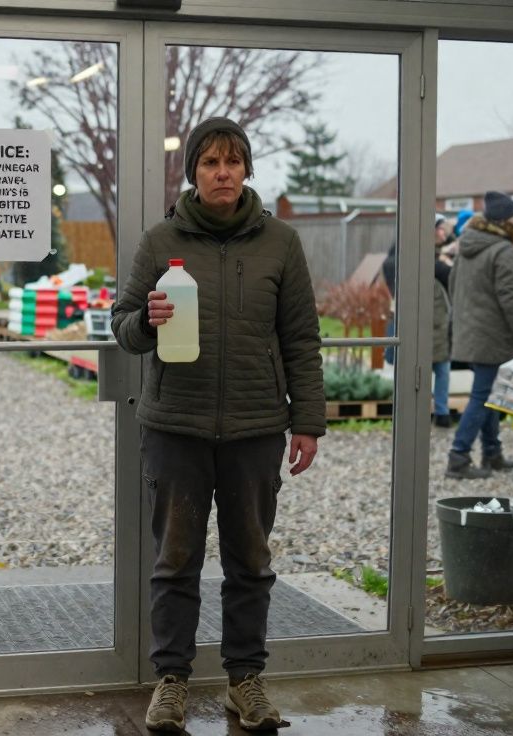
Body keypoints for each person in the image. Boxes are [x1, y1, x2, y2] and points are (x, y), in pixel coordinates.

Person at [110, 117, 325, 733]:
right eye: (210, 163)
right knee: (175, 560)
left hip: (256, 428)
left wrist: (306, 420)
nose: (222, 172)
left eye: (233, 162)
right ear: (194, 174)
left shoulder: (281, 243)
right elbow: (122, 327)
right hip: (175, 427)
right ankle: (171, 683)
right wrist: (146, 322)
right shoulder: (158, 242)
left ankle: (245, 682)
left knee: (250, 561)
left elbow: (302, 338)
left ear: (247, 170)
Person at [445, 191, 513, 479]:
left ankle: (493, 453)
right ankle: (458, 457)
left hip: (469, 332)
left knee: (489, 393)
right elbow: (512, 298)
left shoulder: (466, 246)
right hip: (492, 336)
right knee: (483, 395)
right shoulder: (504, 250)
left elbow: (452, 285)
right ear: (505, 221)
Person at [380, 216, 455, 427]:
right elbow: (450, 276)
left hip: (417, 321)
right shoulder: (427, 262)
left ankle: (420, 413)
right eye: (439, 230)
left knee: (419, 368)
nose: (443, 235)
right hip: (428, 323)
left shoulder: (397, 257)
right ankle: (438, 413)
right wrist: (446, 260)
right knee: (436, 367)